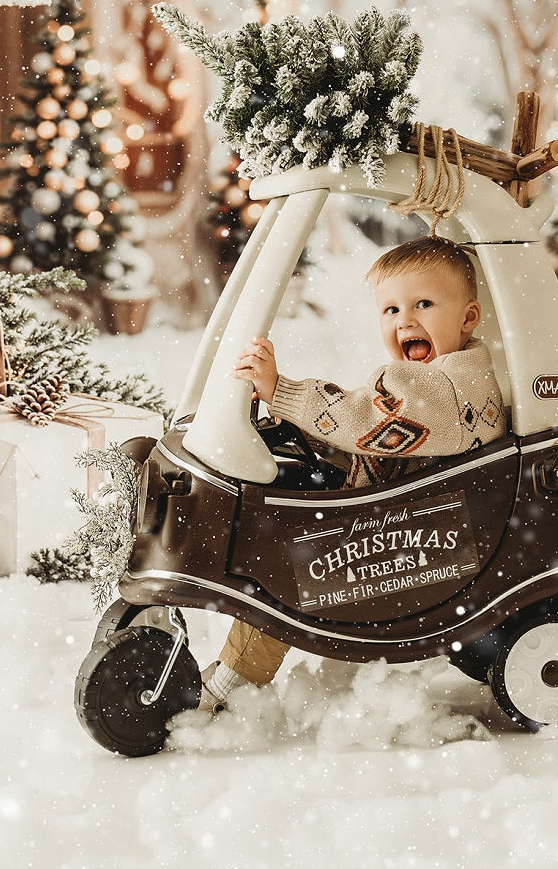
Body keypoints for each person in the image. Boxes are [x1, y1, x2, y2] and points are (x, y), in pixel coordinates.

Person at [199, 235, 507, 710]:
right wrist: (306, 429)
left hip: (411, 541)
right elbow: (375, 431)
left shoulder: (446, 387)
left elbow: (368, 419)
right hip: (409, 516)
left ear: (468, 317)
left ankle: (238, 677)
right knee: (294, 478)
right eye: (391, 310)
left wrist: (283, 392)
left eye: (423, 304)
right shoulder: (448, 374)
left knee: (286, 552)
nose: (405, 321)